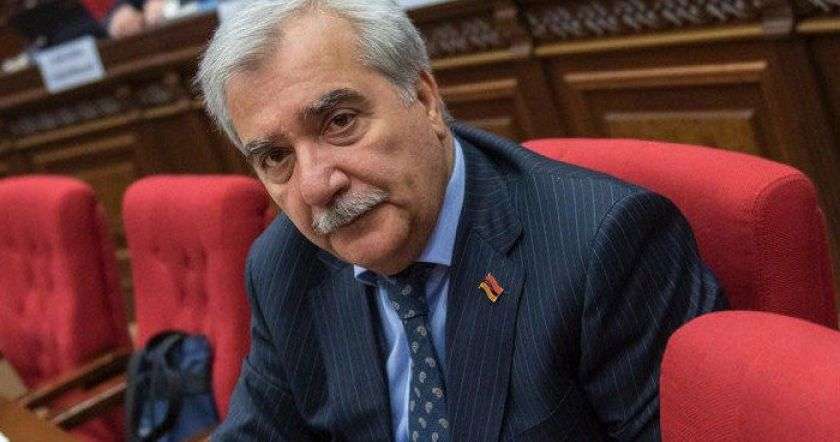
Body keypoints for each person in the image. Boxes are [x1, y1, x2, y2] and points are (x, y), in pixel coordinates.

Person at [196, 1, 727, 440]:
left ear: (425, 99)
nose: (316, 186)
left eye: (340, 122)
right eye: (275, 157)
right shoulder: (283, 266)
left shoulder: (601, 246)